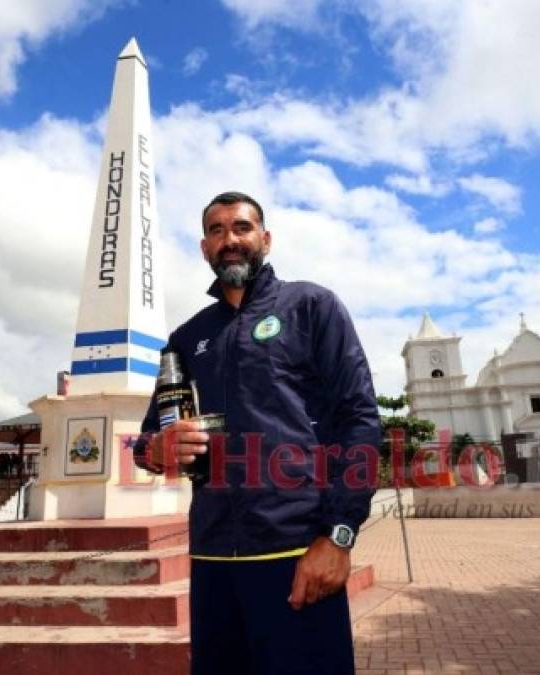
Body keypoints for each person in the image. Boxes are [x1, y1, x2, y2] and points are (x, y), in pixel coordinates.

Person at [135, 192, 380, 675]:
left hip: (297, 552)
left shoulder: (312, 306)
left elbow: (359, 420)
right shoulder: (187, 338)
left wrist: (338, 537)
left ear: (264, 239)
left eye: (242, 228)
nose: (230, 239)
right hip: (212, 557)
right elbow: (148, 439)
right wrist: (158, 448)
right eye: (217, 230)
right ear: (204, 247)